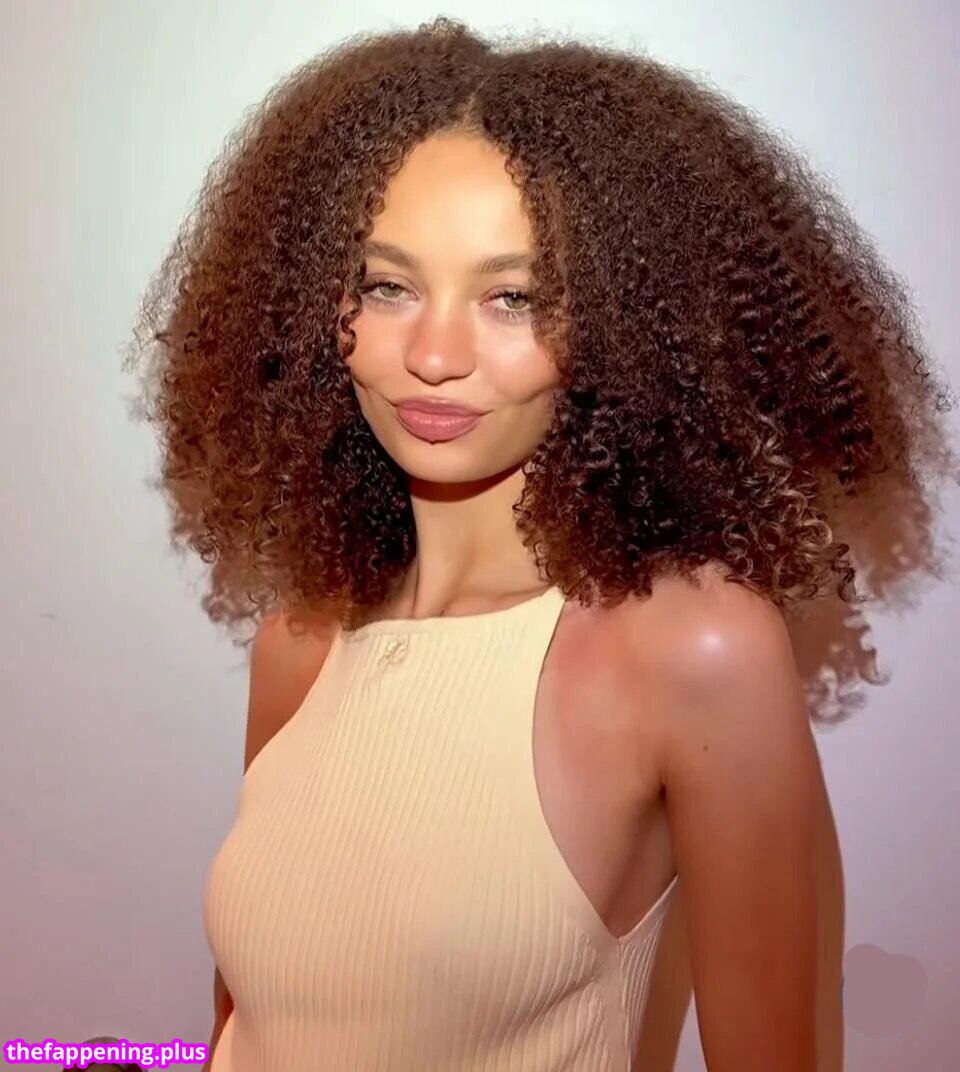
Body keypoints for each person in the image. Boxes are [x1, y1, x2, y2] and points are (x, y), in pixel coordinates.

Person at [123, 17, 958, 1072]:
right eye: (387, 286)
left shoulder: (689, 653)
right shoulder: (303, 643)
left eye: (513, 298)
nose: (434, 353)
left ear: (621, 325)